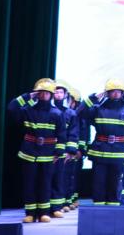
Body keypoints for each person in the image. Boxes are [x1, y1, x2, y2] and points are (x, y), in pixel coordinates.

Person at [7, 79, 67, 223]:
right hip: (29, 153)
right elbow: (11, 108)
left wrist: (58, 153)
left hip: (48, 154)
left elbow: (61, 134)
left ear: (51, 95)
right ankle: (30, 213)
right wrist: (28, 96)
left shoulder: (57, 113)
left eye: (47, 93)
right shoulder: (27, 110)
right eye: (41, 92)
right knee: (29, 184)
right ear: (36, 94)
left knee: (45, 183)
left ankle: (43, 213)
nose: (44, 95)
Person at [78, 79, 124, 207]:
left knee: (115, 182)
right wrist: (93, 98)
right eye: (112, 91)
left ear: (122, 93)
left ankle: (113, 208)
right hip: (100, 151)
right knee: (98, 182)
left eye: (118, 91)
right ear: (107, 93)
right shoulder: (97, 109)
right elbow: (79, 113)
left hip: (119, 152)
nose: (116, 94)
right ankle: (99, 208)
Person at [50, 81, 78, 216]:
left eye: (61, 92)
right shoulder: (48, 111)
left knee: (61, 179)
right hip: (46, 150)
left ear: (65, 95)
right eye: (56, 92)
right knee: (46, 179)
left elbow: (73, 133)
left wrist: (70, 152)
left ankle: (58, 206)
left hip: (62, 152)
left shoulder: (71, 113)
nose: (58, 94)